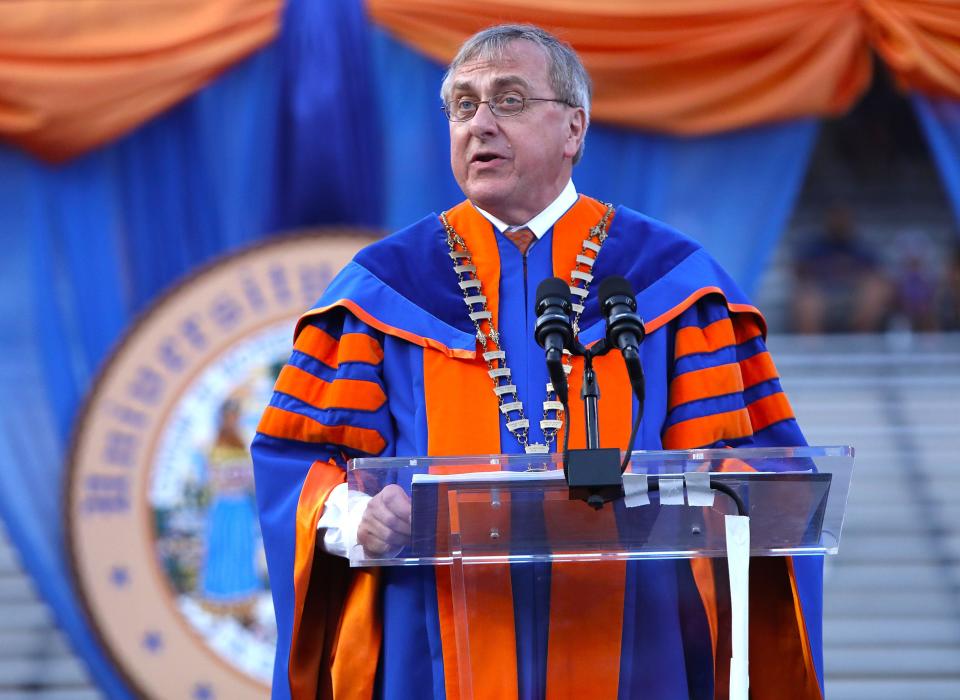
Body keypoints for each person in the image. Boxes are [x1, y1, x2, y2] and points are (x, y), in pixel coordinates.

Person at [252, 24, 823, 700]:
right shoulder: (384, 290)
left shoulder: (673, 284)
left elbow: (759, 466)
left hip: (636, 649)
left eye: (510, 99)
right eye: (463, 105)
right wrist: (355, 515)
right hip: (434, 647)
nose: (480, 124)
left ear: (573, 129)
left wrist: (718, 490)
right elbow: (299, 467)